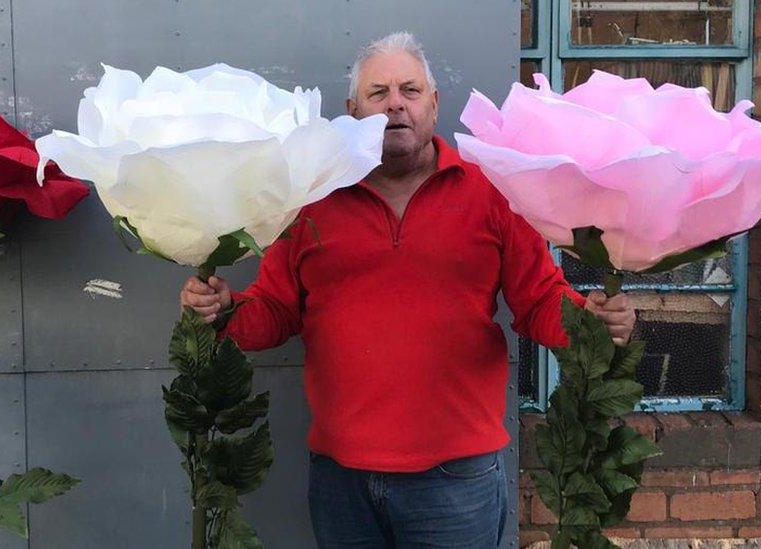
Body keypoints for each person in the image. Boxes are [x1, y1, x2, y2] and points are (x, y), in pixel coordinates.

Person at [180, 31, 636, 548]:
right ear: (353, 110)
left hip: (455, 481)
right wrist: (224, 311)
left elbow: (537, 301)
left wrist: (590, 322)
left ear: (434, 103)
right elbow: (276, 311)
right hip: (341, 478)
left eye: (410, 90)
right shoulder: (311, 200)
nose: (395, 103)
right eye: (378, 93)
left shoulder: (491, 191)